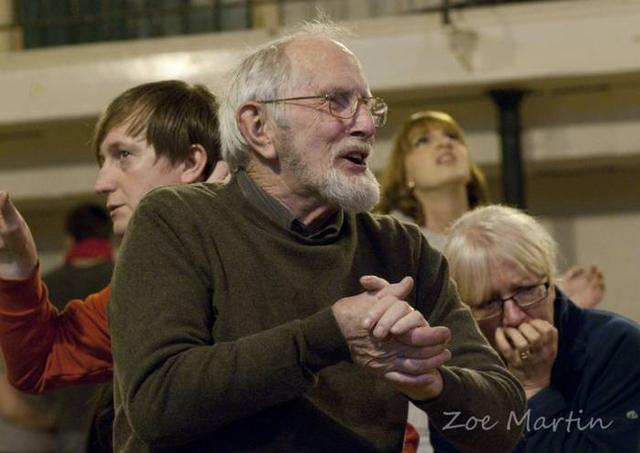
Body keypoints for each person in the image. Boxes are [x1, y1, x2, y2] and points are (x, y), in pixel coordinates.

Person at [108, 22, 525, 452]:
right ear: (258, 128)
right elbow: (157, 404)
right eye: (336, 102)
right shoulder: (176, 221)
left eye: (367, 105)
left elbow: (505, 423)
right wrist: (328, 335)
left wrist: (431, 381)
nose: (365, 124)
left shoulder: (401, 248)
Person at [0, 80, 226, 451]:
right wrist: (16, 270)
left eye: (123, 155)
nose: (102, 182)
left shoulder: (260, 250)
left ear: (191, 162)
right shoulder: (143, 285)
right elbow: (38, 364)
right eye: (102, 161)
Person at [432, 205, 640, 452]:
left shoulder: (616, 347)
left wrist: (534, 388)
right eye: (488, 303)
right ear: (464, 310)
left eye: (526, 291)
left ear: (551, 283)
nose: (514, 316)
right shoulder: (456, 372)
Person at [378, 110, 606, 309]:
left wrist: (561, 305)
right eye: (423, 140)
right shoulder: (396, 247)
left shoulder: (512, 234)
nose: (445, 143)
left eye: (453, 136)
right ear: (405, 174)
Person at [42, 202, 115, 453]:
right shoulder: (124, 278)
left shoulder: (44, 287)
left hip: (67, 422)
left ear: (69, 240)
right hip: (119, 418)